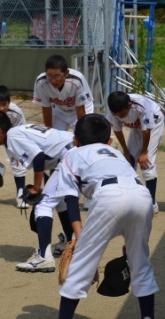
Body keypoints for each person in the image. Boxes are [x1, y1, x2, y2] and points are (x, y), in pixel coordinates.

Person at [57, 114, 158, 319]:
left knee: (79, 268)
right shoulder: (115, 153)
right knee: (140, 263)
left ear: (75, 140)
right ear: (109, 141)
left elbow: (70, 200)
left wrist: (79, 237)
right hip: (141, 196)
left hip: (108, 198)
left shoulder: (71, 155)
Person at [0, 110, 76, 272]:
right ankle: (72, 246)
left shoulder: (13, 137)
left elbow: (38, 157)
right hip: (72, 151)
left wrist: (37, 188)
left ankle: (44, 257)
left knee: (43, 204)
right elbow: (47, 156)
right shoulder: (15, 134)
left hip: (70, 154)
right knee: (60, 202)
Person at [106, 91, 163, 216]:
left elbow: (146, 130)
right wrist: (125, 151)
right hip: (137, 127)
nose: (120, 117)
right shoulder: (112, 109)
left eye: (122, 114)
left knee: (147, 162)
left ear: (129, 105)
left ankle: (151, 204)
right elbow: (117, 130)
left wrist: (144, 152)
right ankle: (130, 200)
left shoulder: (142, 106)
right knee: (129, 160)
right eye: (117, 115)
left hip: (154, 125)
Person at [32, 54, 94, 131]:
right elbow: (46, 109)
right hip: (59, 110)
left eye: (57, 76)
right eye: (49, 76)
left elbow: (80, 108)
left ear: (66, 73)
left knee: (82, 135)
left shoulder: (77, 80)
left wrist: (81, 132)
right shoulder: (41, 82)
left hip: (81, 108)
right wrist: (49, 132)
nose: (53, 80)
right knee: (55, 137)